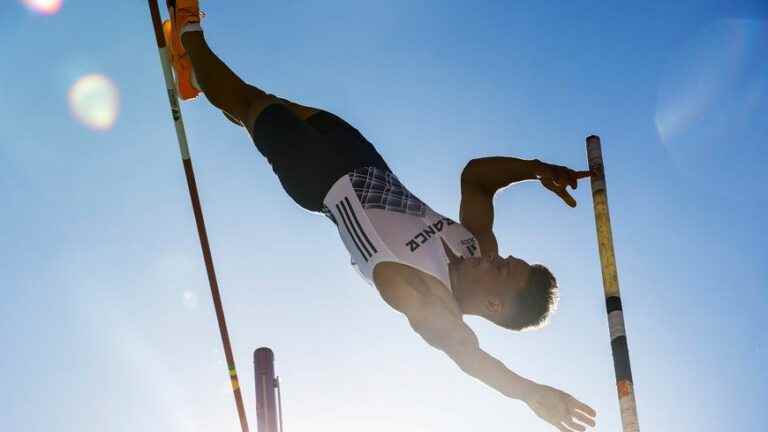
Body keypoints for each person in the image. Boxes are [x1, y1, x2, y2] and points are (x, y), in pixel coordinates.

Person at [163, 2, 597, 430]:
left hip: (319, 180)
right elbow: (478, 179)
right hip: (365, 159)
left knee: (249, 101)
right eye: (505, 259)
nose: (496, 256)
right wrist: (536, 168)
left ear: (494, 304)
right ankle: (195, 72)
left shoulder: (427, 297)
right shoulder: (475, 248)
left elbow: (469, 356)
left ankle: (188, 31)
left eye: (501, 268)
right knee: (258, 105)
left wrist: (530, 393)